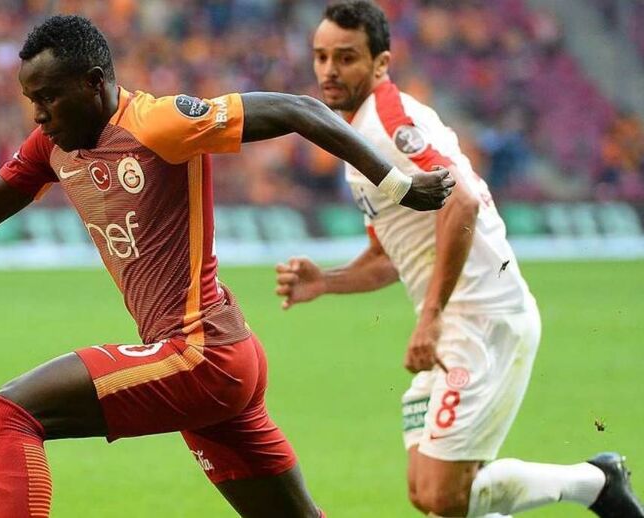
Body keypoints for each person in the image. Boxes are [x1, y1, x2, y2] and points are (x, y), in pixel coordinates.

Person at [0, 14, 453, 518]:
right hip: (217, 362)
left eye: (49, 97)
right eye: (30, 99)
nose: (38, 114)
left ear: (94, 83)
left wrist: (397, 184)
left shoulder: (157, 123)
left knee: (8, 414)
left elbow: (300, 110)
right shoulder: (51, 146)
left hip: (198, 353)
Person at [274, 2, 644, 517]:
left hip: (483, 317)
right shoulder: (360, 137)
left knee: (446, 495)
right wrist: (327, 281)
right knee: (429, 493)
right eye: (321, 57)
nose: (329, 70)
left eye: (346, 57)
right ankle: (594, 483)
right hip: (458, 319)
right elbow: (389, 257)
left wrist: (430, 317)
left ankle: (596, 483)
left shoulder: (390, 124)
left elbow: (462, 201)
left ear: (381, 63)